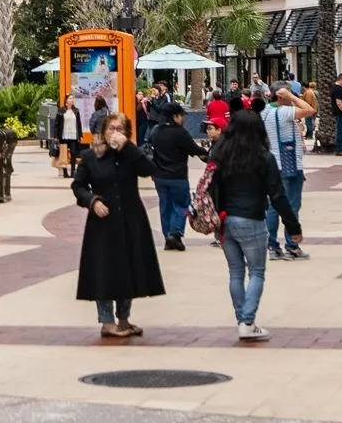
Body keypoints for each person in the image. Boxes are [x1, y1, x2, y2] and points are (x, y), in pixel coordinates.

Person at [205, 112, 307, 340]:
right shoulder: (264, 157)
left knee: (235, 272)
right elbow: (278, 195)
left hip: (224, 219)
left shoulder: (220, 154)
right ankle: (247, 322)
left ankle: (242, 319)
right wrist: (293, 226)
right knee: (257, 272)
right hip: (251, 219)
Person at [73, 113, 164, 340]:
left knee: (128, 269)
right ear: (103, 131)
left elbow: (149, 169)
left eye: (121, 129)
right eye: (112, 128)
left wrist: (129, 148)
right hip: (103, 224)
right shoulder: (91, 156)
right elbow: (79, 186)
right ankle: (107, 322)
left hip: (131, 220)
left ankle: (124, 318)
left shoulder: (130, 156)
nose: (116, 132)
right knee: (104, 271)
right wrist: (93, 201)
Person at [143, 100, 204, 250]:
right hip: (177, 176)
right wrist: (208, 155)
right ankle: (175, 233)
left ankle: (167, 236)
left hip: (159, 176)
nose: (182, 119)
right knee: (182, 204)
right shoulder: (180, 133)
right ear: (174, 116)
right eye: (180, 115)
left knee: (165, 206)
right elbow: (194, 149)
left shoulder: (155, 130)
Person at [261, 85, 312, 259]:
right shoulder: (284, 112)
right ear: (281, 95)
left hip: (272, 164)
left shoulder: (265, 111)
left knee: (273, 207)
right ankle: (291, 245)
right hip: (289, 165)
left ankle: (272, 245)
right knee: (292, 205)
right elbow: (309, 109)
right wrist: (292, 96)